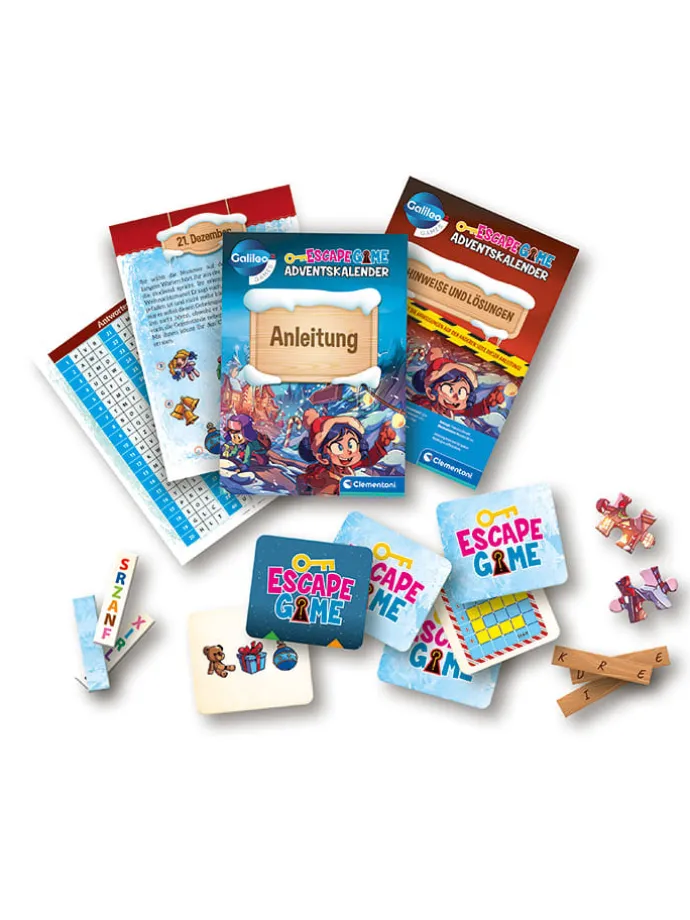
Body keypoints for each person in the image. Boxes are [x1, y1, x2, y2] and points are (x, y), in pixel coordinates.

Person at [296, 409, 395, 495]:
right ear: (322, 457)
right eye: (338, 447)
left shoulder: (344, 467)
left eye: (351, 444)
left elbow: (366, 461)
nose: (348, 451)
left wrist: (380, 444)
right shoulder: (322, 476)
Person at [411, 349, 504, 420]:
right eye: (449, 390)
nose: (456, 397)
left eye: (462, 392)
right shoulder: (424, 405)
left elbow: (468, 412)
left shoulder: (452, 408)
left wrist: (487, 403)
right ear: (430, 393)